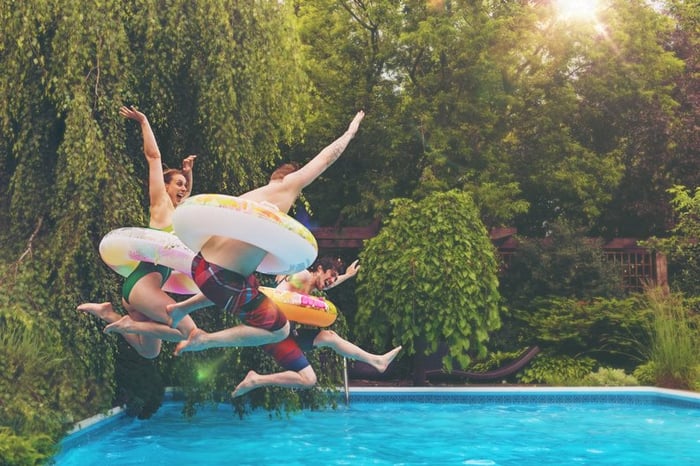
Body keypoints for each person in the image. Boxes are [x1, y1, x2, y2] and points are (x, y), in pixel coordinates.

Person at [167, 110, 366, 355]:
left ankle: (180, 309)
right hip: (222, 277)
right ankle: (204, 339)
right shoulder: (288, 187)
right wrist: (350, 132)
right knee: (279, 330)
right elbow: (325, 159)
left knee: (251, 285)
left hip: (201, 267)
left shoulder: (252, 199)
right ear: (290, 176)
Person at [77, 105, 199, 359]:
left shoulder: (179, 217)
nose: (182, 189)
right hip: (142, 287)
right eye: (177, 184)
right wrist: (144, 121)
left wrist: (188, 174)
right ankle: (129, 324)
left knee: (149, 351)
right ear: (164, 186)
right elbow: (154, 158)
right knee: (191, 333)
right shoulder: (160, 205)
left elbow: (187, 199)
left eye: (184, 186)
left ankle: (109, 313)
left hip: (141, 289)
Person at [231, 256, 402, 397]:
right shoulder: (302, 276)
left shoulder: (312, 284)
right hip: (274, 334)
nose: (332, 280)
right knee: (309, 380)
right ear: (319, 269)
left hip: (287, 334)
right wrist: (309, 302)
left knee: (330, 337)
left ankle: (377, 361)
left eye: (335, 277)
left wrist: (348, 275)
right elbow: (281, 296)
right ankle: (256, 380)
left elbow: (330, 283)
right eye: (332, 274)